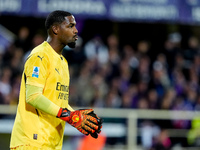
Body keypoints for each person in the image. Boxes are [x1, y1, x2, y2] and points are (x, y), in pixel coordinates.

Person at [10, 10, 103, 150]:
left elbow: (59, 104)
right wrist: (68, 115)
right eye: (70, 26)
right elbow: (33, 96)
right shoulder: (40, 55)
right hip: (32, 142)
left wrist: (76, 118)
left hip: (51, 144)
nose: (76, 31)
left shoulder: (63, 62)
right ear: (55, 29)